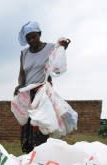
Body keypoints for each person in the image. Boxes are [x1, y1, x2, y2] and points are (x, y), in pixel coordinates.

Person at [14, 21, 71, 154]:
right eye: (28, 38)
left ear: (39, 34)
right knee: (26, 127)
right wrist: (20, 85)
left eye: (34, 36)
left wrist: (63, 47)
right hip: (28, 95)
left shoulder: (50, 48)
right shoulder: (24, 53)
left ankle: (41, 155)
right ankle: (28, 155)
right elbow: (22, 73)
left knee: (41, 126)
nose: (31, 40)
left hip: (43, 94)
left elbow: (58, 60)